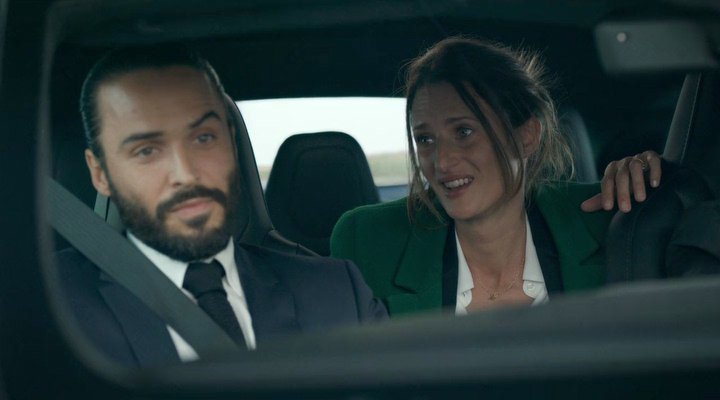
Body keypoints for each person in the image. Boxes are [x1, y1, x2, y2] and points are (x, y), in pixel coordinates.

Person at [56, 45, 387, 367]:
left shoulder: (337, 294)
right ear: (100, 174)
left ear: (231, 142)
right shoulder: (46, 303)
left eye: (204, 138)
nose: (186, 174)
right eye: (146, 151)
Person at [330, 36, 660, 316]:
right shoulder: (367, 241)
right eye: (425, 139)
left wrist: (659, 183)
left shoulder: (613, 217)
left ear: (526, 136)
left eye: (464, 132)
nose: (441, 161)